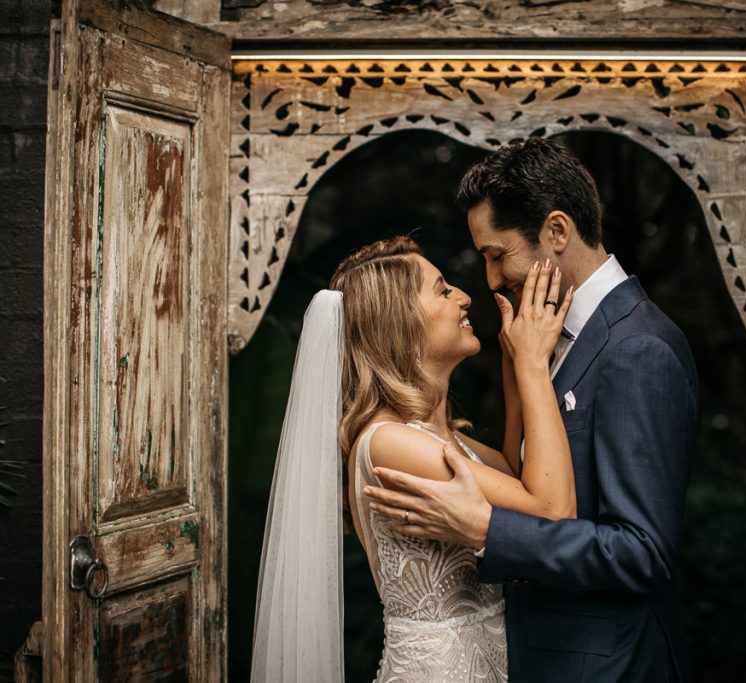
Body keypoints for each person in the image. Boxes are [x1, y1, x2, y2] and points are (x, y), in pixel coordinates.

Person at [364, 138, 698, 682]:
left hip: (606, 666)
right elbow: (530, 481)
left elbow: (642, 553)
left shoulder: (638, 348)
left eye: (499, 255)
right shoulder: (541, 342)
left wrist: (485, 528)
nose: (492, 279)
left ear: (557, 232)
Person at [250, 235, 577, 682]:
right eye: (443, 290)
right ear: (400, 323)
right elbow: (553, 514)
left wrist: (513, 359)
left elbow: (516, 475)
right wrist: (534, 366)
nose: (464, 297)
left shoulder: (440, 440)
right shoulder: (389, 443)